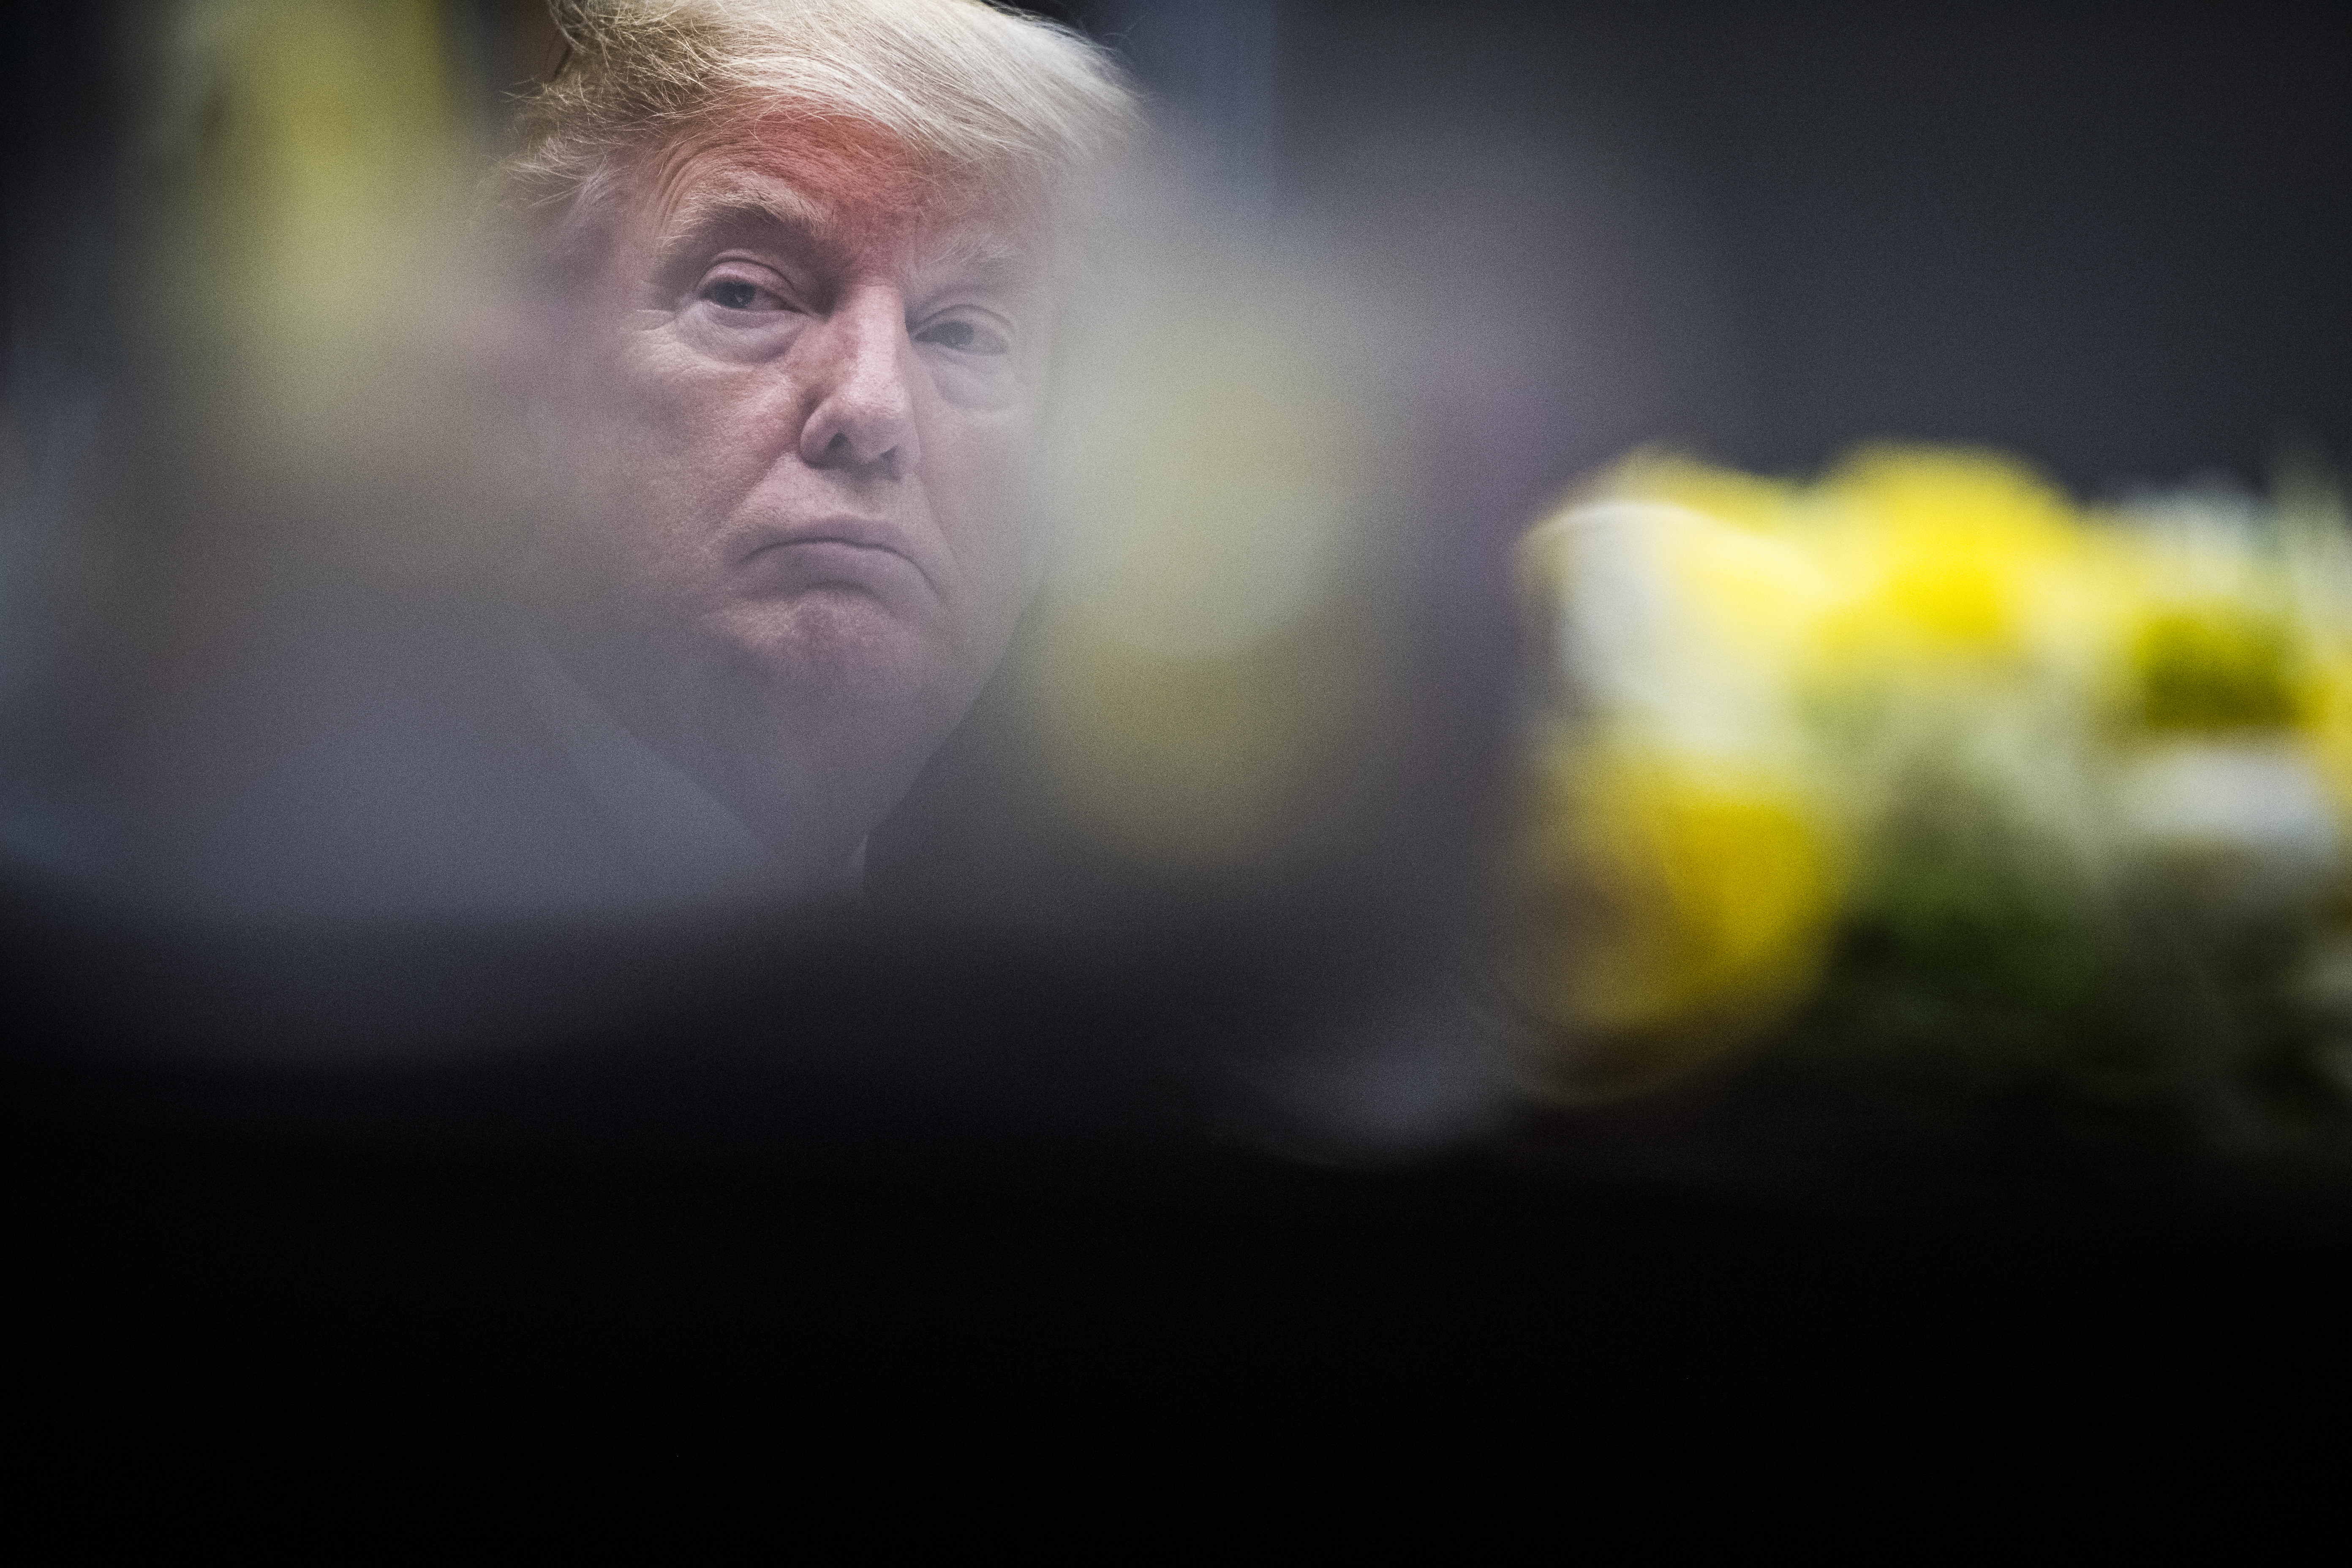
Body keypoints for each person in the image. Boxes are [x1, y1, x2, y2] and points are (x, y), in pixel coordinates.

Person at [131, 0, 1136, 918]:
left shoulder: (1119, 990)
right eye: (747, 293)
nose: (873, 406)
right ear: (529, 391)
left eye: (962, 333)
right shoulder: (276, 921)